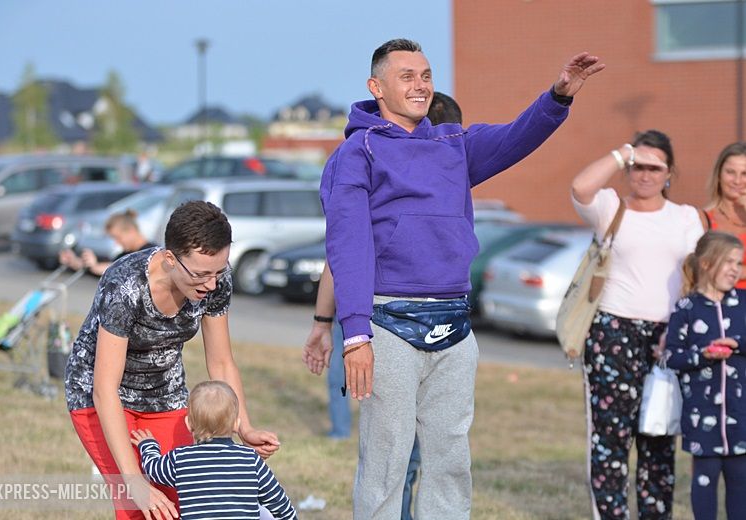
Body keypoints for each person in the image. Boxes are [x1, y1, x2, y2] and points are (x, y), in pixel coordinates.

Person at [314, 38, 603, 519]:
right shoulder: (356, 152)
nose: (420, 84)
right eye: (406, 76)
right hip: (387, 323)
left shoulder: (453, 144)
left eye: (426, 75)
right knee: (386, 460)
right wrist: (354, 332)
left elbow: (516, 136)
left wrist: (559, 95)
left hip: (454, 322)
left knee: (450, 458)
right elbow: (347, 245)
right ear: (376, 87)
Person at [302, 91, 463, 520]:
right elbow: (342, 253)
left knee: (426, 450)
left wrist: (322, 322)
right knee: (393, 452)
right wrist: (331, 326)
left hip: (437, 327)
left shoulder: (443, 185)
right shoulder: (363, 159)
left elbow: (334, 260)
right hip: (376, 320)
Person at [64, 201, 280, 520]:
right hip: (100, 396)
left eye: (218, 272)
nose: (210, 284)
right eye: (201, 274)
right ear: (170, 259)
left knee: (184, 496)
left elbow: (221, 362)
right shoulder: (124, 285)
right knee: (137, 505)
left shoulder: (215, 281)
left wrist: (243, 427)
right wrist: (135, 480)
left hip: (165, 394)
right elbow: (104, 388)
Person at [570, 130, 706, 519]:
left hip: (667, 336)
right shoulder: (611, 207)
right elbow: (581, 187)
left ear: (669, 173)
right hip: (612, 334)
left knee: (658, 436)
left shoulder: (684, 219)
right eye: (637, 167)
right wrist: (620, 153)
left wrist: (680, 328)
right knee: (610, 439)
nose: (644, 174)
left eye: (654, 167)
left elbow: (696, 279)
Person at [665, 231, 746, 520]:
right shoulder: (687, 309)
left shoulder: (744, 304)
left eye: (739, 263)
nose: (736, 269)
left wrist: (738, 344)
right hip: (702, 419)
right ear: (708, 264)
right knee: (705, 480)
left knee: (741, 483)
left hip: (741, 418)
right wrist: (702, 355)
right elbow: (671, 357)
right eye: (729, 262)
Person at [131, 380, 297, 520]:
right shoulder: (251, 460)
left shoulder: (181, 459)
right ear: (236, 424)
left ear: (189, 424)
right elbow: (280, 504)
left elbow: (153, 469)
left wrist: (148, 445)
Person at [59, 209, 156, 276]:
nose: (116, 243)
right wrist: (74, 261)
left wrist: (95, 266)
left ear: (130, 231)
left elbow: (120, 270)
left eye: (118, 237)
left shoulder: (152, 253)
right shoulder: (123, 255)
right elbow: (102, 269)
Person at [703, 142, 746, 287]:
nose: (737, 181)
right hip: (721, 306)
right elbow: (700, 269)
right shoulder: (703, 219)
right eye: (730, 172)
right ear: (719, 175)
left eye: (744, 174)